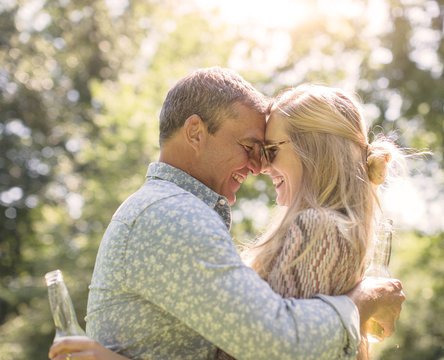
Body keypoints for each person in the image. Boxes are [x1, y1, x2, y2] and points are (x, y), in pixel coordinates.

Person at [49, 68, 405, 360]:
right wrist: (360, 303)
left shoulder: (172, 211)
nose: (257, 166)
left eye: (266, 151)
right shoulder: (173, 215)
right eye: (250, 147)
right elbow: (274, 344)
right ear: (195, 133)